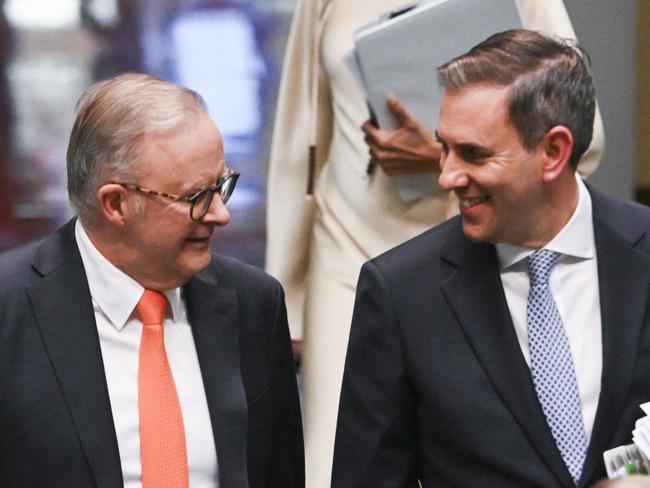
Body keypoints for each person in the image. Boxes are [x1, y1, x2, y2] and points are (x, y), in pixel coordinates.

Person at [266, 1, 604, 486]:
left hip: (485, 251)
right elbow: (300, 135)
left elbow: (583, 137)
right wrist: (289, 294)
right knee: (333, 460)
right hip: (349, 250)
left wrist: (442, 156)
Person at [332, 29, 650, 487]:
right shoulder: (403, 292)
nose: (447, 176)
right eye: (444, 147)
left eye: (473, 154)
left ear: (553, 152)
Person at [0, 73, 304, 488]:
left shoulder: (254, 304)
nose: (220, 214)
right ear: (116, 203)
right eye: (196, 197)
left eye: (222, 186)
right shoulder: (10, 306)